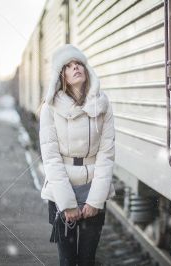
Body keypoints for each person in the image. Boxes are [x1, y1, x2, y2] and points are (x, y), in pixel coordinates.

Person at [39, 44, 115, 266]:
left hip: (93, 186)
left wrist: (95, 199)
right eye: (69, 66)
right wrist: (67, 203)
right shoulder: (49, 109)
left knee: (88, 259)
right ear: (61, 75)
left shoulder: (103, 104)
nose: (75, 68)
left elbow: (107, 154)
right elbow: (51, 158)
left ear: (86, 69)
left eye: (79, 63)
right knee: (67, 260)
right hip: (62, 189)